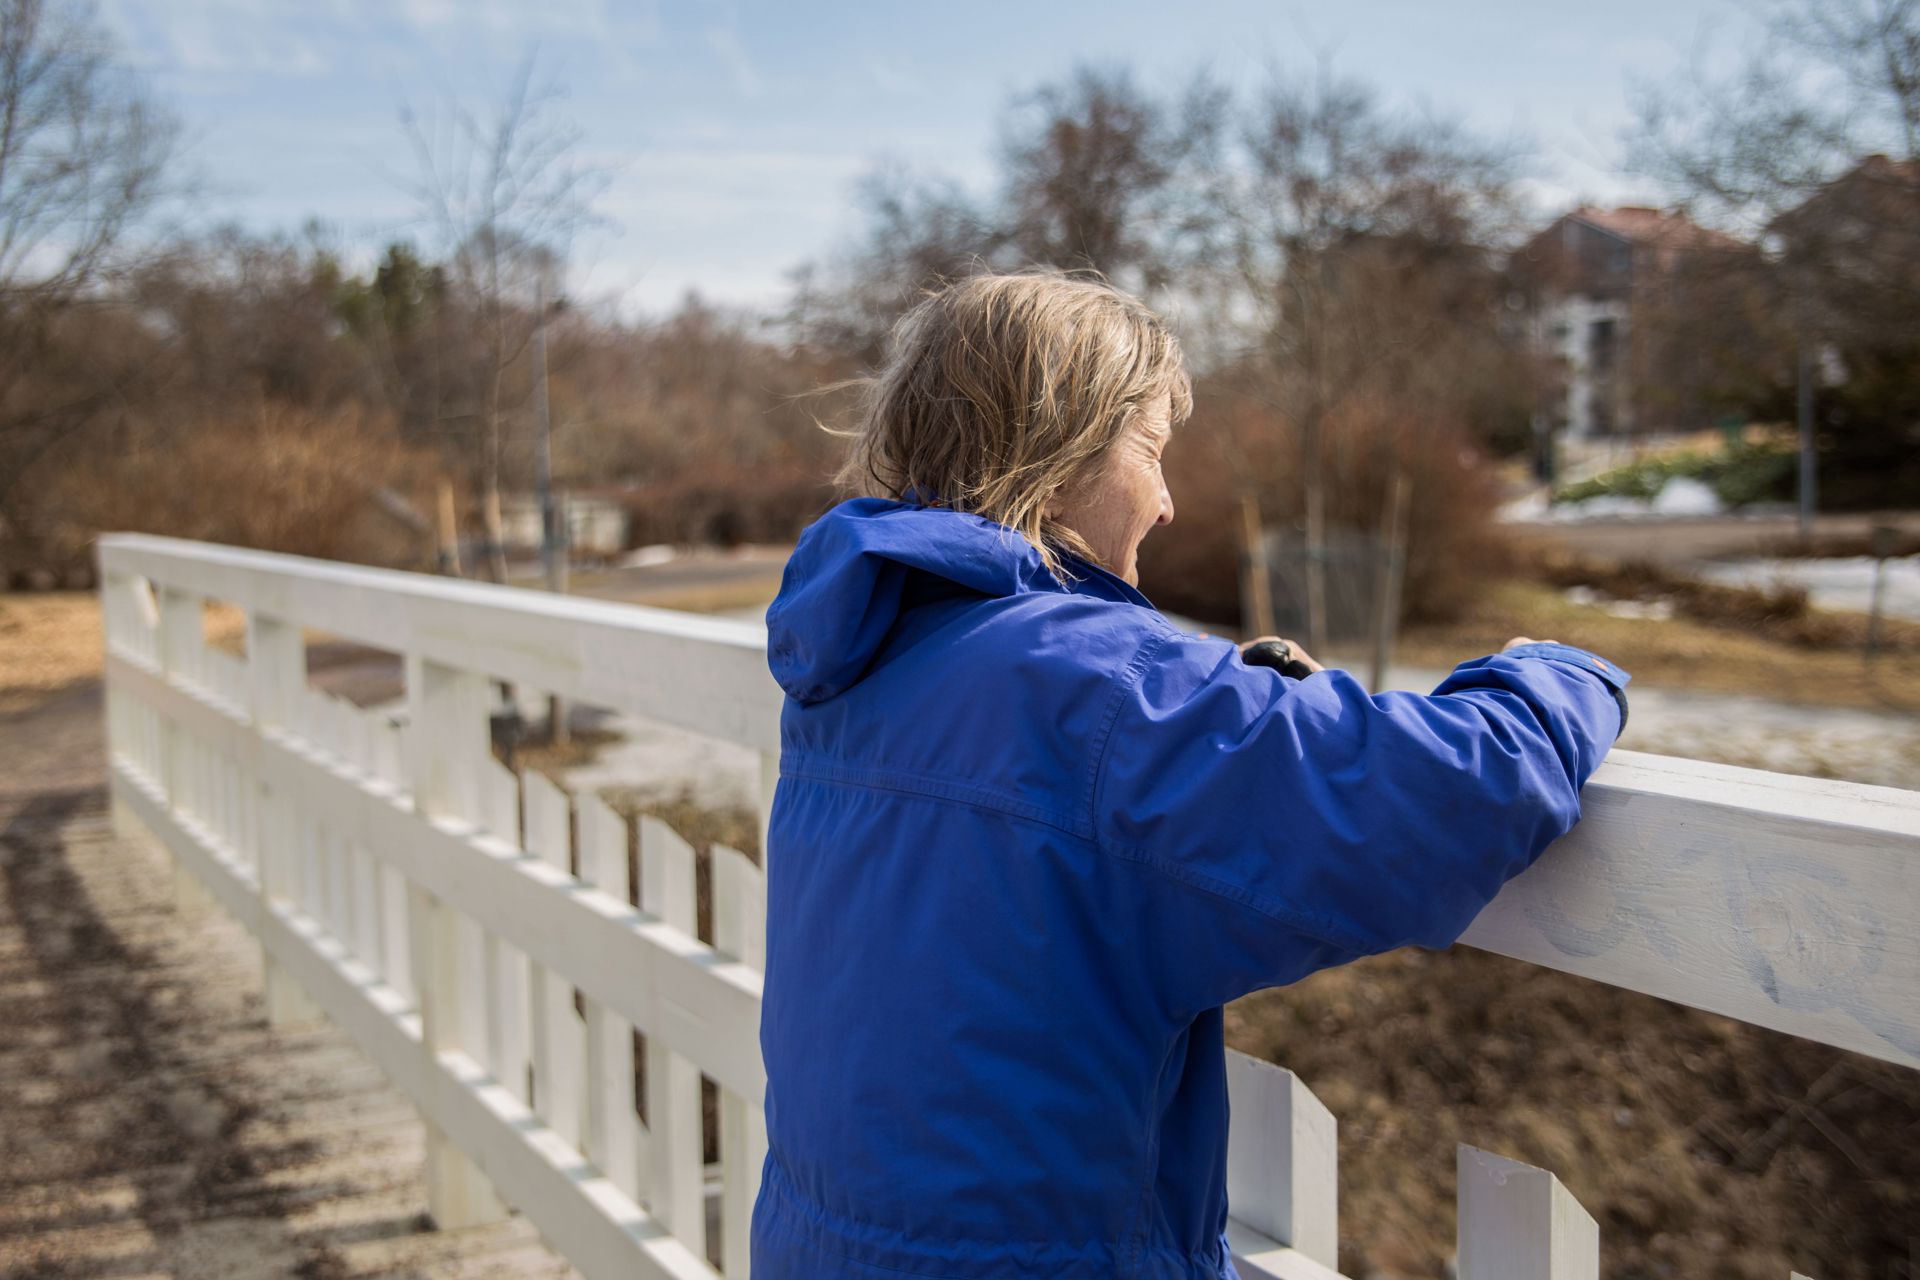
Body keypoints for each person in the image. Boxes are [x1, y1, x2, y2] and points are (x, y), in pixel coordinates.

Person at [752, 271, 1629, 1280]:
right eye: (1152, 452)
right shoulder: (1100, 686)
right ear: (1060, 443)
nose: (1168, 505)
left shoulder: (866, 655)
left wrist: (1242, 708)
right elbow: (1454, 794)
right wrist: (1555, 668)